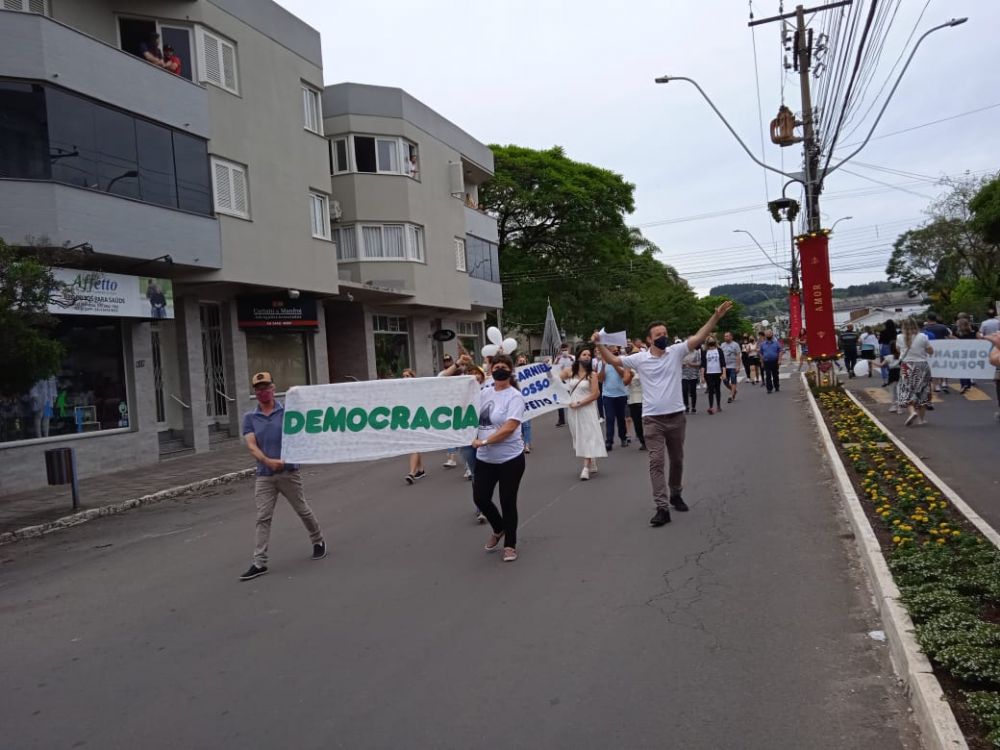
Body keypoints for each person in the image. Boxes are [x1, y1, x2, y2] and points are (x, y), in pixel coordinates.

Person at [594, 300, 734, 527]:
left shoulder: (676, 352)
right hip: (652, 420)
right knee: (656, 462)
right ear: (649, 339)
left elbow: (699, 337)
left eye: (665, 333)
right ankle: (661, 507)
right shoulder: (639, 358)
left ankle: (675, 493)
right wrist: (599, 345)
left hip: (676, 417)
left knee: (677, 460)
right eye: (658, 334)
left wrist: (715, 317)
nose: (663, 336)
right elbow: (612, 360)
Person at [239, 372, 325, 581]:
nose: (263, 392)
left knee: (302, 509)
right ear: (255, 393)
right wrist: (267, 461)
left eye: (266, 387)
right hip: (265, 475)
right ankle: (259, 562)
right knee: (263, 517)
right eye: (258, 389)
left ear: (273, 388)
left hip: (288, 472)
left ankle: (318, 540)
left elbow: (302, 434)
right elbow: (252, 445)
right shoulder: (250, 418)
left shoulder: (288, 413)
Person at [471, 355, 527, 562]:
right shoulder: (484, 393)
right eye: (496, 367)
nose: (500, 370)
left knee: (507, 501)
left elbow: (510, 427)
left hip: (510, 459)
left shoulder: (515, 397)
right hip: (485, 459)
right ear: (490, 369)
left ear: (510, 371)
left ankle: (510, 544)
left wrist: (485, 442)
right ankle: (499, 527)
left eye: (504, 367)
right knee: (480, 498)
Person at [559, 349, 606, 480]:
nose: (587, 357)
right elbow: (554, 380)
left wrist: (579, 403)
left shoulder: (592, 374)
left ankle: (586, 467)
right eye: (584, 355)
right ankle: (592, 459)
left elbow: (595, 394)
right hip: (573, 410)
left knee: (588, 436)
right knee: (578, 436)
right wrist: (547, 369)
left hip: (587, 409)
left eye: (589, 355)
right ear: (578, 357)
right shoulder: (570, 372)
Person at [897, 317, 934, 427]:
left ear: (903, 327)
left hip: (906, 366)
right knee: (923, 391)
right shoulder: (923, 336)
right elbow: (930, 350)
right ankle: (921, 420)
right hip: (921, 366)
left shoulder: (899, 337)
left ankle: (912, 411)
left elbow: (898, 350)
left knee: (906, 390)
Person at [599, 345, 629, 450]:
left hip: (621, 394)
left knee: (621, 418)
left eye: (617, 351)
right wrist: (603, 366)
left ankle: (623, 437)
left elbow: (623, 375)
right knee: (610, 418)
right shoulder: (601, 363)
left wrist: (614, 363)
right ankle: (609, 441)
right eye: (613, 352)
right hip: (608, 395)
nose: (616, 352)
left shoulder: (623, 361)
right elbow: (601, 379)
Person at [401, 369, 427, 483]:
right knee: (415, 445)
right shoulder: (401, 390)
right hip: (407, 421)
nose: (405, 378)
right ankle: (420, 469)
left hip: (418, 420)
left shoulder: (418, 390)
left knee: (414, 446)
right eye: (403, 376)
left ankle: (411, 473)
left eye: (407, 376)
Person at [923, 313, 954, 393]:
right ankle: (944, 383)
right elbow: (950, 337)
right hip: (943, 350)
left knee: (934, 366)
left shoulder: (925, 328)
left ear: (928, 319)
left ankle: (936, 385)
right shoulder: (943, 327)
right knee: (944, 365)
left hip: (930, 350)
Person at [623, 365, 646, 451]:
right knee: (637, 422)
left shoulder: (645, 367)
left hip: (645, 398)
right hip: (633, 399)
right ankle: (642, 441)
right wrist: (631, 375)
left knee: (648, 421)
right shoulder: (628, 369)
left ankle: (651, 440)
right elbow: (625, 382)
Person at [701, 337, 725, 414]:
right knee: (710, 389)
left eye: (712, 340)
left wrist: (724, 373)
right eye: (709, 340)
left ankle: (718, 405)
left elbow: (723, 363)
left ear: (715, 341)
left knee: (717, 389)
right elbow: (703, 365)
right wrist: (702, 376)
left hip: (718, 372)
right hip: (708, 373)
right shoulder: (705, 352)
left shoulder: (719, 350)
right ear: (707, 342)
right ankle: (711, 407)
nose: (711, 341)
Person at [553, 344, 575, 427]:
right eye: (563, 350)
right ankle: (561, 420)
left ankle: (573, 416)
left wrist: (571, 359)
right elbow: (554, 368)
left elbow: (577, 365)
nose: (564, 351)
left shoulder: (572, 357)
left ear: (568, 349)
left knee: (572, 399)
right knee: (560, 400)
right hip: (561, 381)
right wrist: (556, 361)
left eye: (565, 350)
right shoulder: (558, 359)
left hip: (571, 381)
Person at [954, 317, 978, 394]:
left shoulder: (957, 332)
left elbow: (951, 339)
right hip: (971, 352)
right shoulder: (973, 331)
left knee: (962, 368)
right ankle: (968, 384)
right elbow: (979, 338)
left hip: (961, 352)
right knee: (968, 367)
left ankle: (964, 384)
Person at [515, 354, 533, 453]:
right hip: (517, 401)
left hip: (528, 401)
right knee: (520, 424)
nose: (522, 362)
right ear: (517, 362)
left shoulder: (531, 372)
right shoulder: (514, 373)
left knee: (526, 424)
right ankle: (525, 441)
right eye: (520, 361)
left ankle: (526, 444)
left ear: (526, 361)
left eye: (523, 361)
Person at [720, 331, 742, 403]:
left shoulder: (735, 345)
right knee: (725, 381)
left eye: (727, 336)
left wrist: (738, 366)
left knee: (733, 380)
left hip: (733, 365)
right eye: (725, 336)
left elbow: (738, 356)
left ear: (731, 337)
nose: (726, 337)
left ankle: (731, 396)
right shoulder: (722, 345)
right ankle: (734, 391)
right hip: (724, 366)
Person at [759, 328, 783, 393]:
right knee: (768, 375)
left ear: (772, 335)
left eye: (769, 334)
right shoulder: (762, 344)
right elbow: (761, 353)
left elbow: (780, 351)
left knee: (775, 375)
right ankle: (769, 389)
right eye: (767, 334)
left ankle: (776, 386)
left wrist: (779, 360)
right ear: (765, 336)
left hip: (775, 361)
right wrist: (762, 362)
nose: (768, 335)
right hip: (766, 362)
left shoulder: (776, 343)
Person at [681, 345, 701, 413]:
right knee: (684, 390)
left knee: (693, 391)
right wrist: (682, 365)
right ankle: (686, 406)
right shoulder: (682, 353)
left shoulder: (696, 352)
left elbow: (699, 363)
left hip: (693, 374)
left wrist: (691, 364)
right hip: (684, 375)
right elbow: (678, 363)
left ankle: (693, 407)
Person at [878, 319, 898, 386]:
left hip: (885, 347)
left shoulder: (882, 332)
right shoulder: (895, 332)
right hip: (893, 346)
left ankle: (885, 381)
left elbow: (880, 341)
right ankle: (891, 378)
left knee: (883, 364)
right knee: (892, 362)